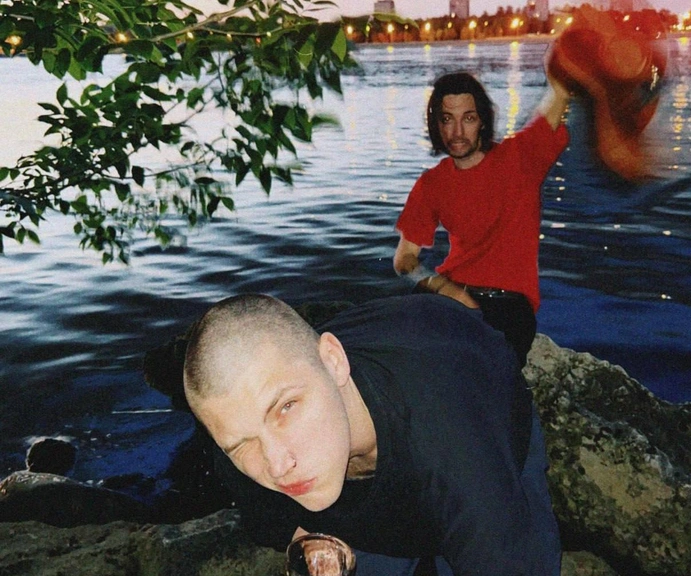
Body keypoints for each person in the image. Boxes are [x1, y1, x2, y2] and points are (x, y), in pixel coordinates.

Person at [183, 292, 561, 576]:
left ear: (334, 362)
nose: (278, 465)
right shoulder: (241, 438)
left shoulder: (458, 453)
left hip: (471, 386)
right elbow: (272, 516)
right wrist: (309, 540)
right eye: (241, 444)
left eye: (286, 408)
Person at [393, 65, 571, 367]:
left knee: (475, 367)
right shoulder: (431, 183)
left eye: (468, 118)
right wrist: (443, 287)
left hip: (507, 306)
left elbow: (558, 96)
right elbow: (404, 259)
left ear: (483, 121)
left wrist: (563, 66)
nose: (457, 132)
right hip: (449, 296)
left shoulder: (519, 159)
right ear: (436, 124)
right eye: (447, 119)